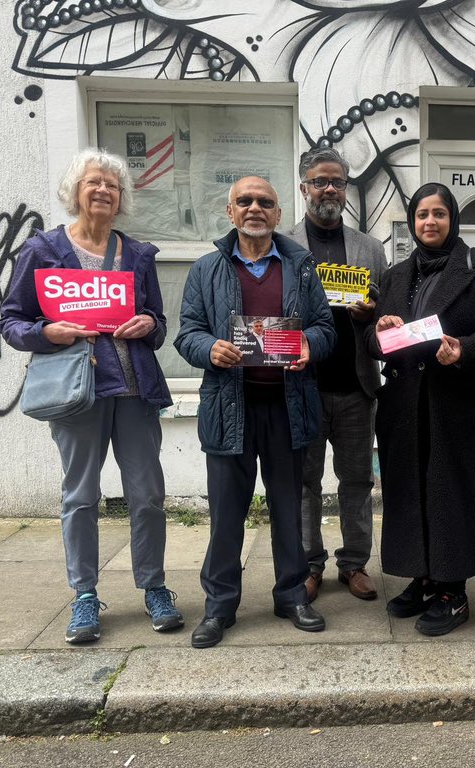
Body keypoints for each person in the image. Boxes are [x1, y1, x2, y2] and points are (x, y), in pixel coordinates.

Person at [0, 148, 182, 644]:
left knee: (148, 495)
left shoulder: (138, 254)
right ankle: (84, 595)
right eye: (93, 183)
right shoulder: (42, 250)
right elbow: (11, 322)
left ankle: (154, 586)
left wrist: (149, 324)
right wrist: (48, 332)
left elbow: (158, 324)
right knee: (80, 496)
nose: (103, 191)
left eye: (112, 185)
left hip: (134, 389)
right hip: (78, 393)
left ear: (121, 198)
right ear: (75, 192)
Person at [174, 176, 336, 648]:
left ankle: (291, 596)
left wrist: (309, 343)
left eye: (265, 202)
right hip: (229, 409)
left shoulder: (302, 267)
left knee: (288, 509)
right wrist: (210, 350)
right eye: (244, 201)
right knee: (227, 513)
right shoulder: (206, 269)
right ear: (230, 213)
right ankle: (219, 606)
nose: (254, 208)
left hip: (287, 408)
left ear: (278, 214)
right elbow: (187, 333)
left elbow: (326, 327)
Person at [365, 182, 475, 637]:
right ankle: (421, 575)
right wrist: (382, 330)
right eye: (422, 215)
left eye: (439, 214)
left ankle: (453, 590)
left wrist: (464, 348)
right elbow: (375, 341)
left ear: (453, 219)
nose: (430, 222)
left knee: (452, 489)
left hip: (456, 398)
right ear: (413, 223)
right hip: (404, 401)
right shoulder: (395, 275)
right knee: (409, 490)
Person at [283, 147, 388, 603]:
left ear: (346, 189)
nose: (329, 189)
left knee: (357, 482)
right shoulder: (283, 244)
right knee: (304, 483)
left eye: (338, 182)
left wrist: (373, 312)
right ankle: (309, 565)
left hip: (356, 384)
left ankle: (355, 564)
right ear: (304, 185)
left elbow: (387, 308)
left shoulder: (370, 247)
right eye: (320, 181)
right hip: (303, 385)